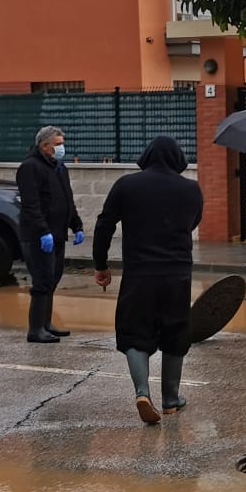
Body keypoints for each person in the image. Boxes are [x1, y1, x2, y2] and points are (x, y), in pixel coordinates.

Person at [92, 135, 203, 425]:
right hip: (177, 273)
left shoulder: (127, 185)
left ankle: (143, 392)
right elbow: (193, 222)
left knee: (134, 331)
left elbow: (104, 224)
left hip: (139, 272)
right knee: (176, 332)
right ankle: (170, 399)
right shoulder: (191, 189)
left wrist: (100, 265)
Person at [15, 125, 84, 344]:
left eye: (62, 143)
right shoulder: (30, 167)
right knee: (42, 281)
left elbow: (67, 199)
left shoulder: (59, 168)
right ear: (45, 146)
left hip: (58, 233)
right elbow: (31, 204)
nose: (62, 148)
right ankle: (35, 329)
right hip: (39, 236)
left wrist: (77, 225)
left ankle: (46, 324)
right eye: (58, 144)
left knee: (53, 279)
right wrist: (42, 231)